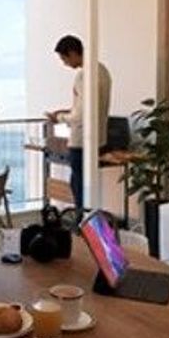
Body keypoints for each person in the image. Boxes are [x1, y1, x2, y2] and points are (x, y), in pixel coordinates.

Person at [46, 35, 112, 220]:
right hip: (99, 138)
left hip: (81, 140)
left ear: (73, 53)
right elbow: (88, 107)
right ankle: (88, 224)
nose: (65, 64)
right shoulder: (102, 71)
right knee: (87, 186)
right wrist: (68, 110)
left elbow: (80, 116)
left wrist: (59, 117)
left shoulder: (85, 76)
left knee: (79, 187)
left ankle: (83, 225)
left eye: (64, 58)